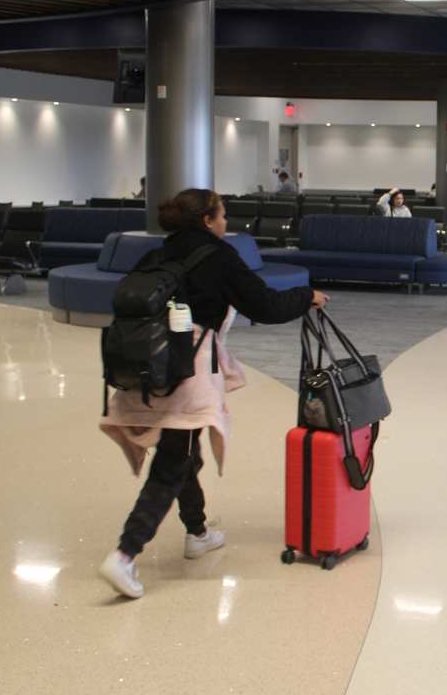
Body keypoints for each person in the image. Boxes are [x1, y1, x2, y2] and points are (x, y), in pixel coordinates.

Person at [97, 188, 326, 599]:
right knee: (173, 461)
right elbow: (265, 305)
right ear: (207, 220)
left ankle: (198, 532)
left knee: (184, 449)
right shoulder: (217, 256)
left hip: (149, 366)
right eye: (222, 216)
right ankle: (124, 556)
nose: (226, 223)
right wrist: (306, 296)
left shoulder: (156, 255)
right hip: (187, 370)